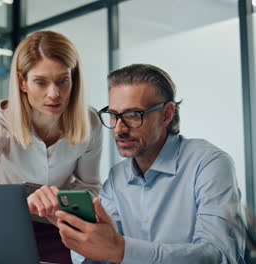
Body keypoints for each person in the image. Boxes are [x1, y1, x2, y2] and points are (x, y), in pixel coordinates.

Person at [55, 64, 245, 263]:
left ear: (166, 114)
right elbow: (102, 255)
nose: (119, 129)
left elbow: (218, 255)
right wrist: (73, 227)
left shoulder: (209, 164)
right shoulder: (116, 178)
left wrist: (121, 250)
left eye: (133, 115)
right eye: (113, 115)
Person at [0, 31, 103, 264]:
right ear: (22, 82)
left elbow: (91, 188)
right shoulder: (0, 117)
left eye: (62, 80)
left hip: (63, 227)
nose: (54, 94)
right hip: (7, 225)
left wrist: (61, 201)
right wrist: (21, 206)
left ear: (74, 78)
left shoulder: (91, 122)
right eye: (40, 82)